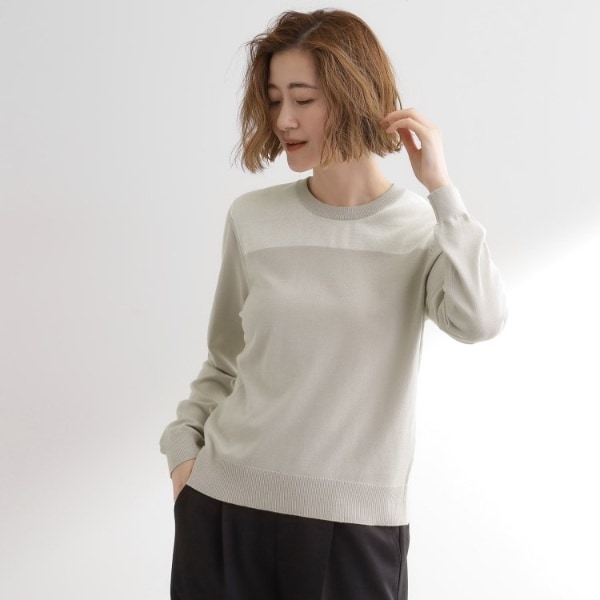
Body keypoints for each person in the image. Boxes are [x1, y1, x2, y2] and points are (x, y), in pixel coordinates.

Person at [160, 8, 507, 600]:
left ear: (352, 95)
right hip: (222, 510)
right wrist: (181, 456)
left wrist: (442, 191)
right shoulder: (253, 218)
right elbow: (224, 361)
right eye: (274, 100)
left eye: (303, 99)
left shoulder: (423, 231)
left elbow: (480, 320)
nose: (284, 120)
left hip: (355, 531)